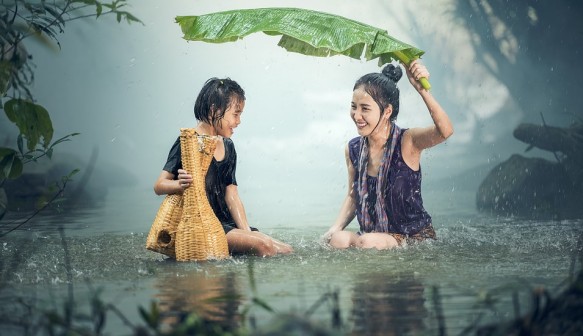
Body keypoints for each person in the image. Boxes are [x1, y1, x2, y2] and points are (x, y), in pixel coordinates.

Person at [154, 77, 293, 257]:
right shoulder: (188, 142)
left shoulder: (228, 146)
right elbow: (159, 185)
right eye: (236, 114)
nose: (239, 121)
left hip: (227, 224)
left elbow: (232, 195)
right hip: (204, 226)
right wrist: (178, 185)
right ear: (215, 109)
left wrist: (247, 233)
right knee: (264, 245)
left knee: (285, 250)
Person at [322, 60, 453, 250]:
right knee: (338, 240)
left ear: (387, 111)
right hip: (373, 237)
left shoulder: (407, 142)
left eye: (365, 108)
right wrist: (335, 228)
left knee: (367, 242)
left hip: (413, 238)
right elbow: (353, 195)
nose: (356, 115)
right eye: (354, 106)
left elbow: (445, 131)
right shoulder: (353, 149)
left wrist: (421, 89)